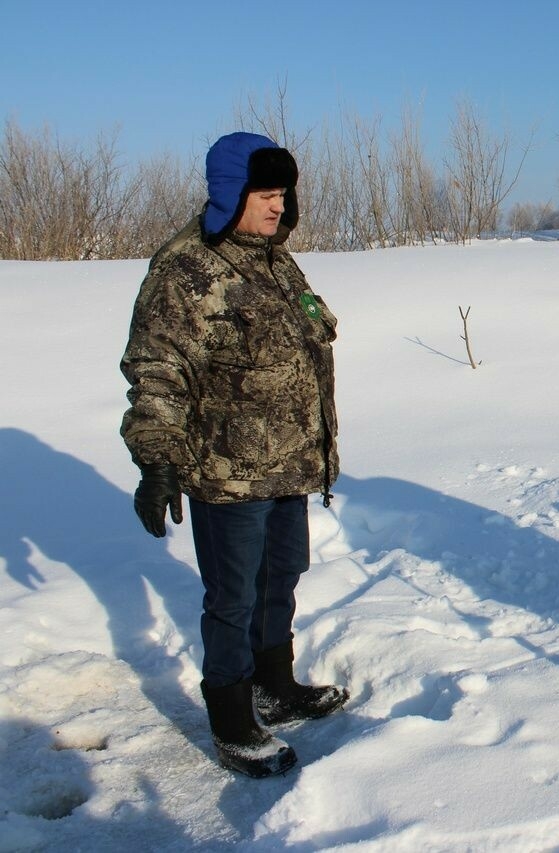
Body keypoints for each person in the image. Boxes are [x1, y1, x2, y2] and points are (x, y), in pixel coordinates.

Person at [121, 131, 348, 778]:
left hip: (287, 464)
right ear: (233, 194)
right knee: (233, 597)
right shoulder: (187, 269)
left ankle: (274, 686)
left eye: (284, 194)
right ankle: (230, 718)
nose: (280, 207)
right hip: (226, 471)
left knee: (283, 576)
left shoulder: (275, 261)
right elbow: (159, 368)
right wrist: (157, 457)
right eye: (267, 194)